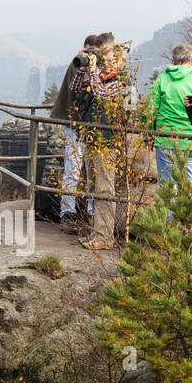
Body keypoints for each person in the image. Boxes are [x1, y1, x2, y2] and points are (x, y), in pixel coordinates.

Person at [78, 34, 131, 250]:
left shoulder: (118, 81)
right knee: (94, 188)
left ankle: (104, 237)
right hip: (93, 138)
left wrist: (94, 73)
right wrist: (87, 70)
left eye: (104, 56)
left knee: (104, 189)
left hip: (106, 143)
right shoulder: (100, 75)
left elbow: (102, 97)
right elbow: (83, 92)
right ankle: (97, 233)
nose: (101, 60)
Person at [50, 34, 100, 233]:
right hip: (75, 124)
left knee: (86, 171)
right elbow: (79, 92)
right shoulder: (79, 65)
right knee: (75, 169)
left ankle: (87, 213)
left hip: (84, 125)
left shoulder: (91, 64)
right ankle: (70, 213)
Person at [144, 44, 192, 186]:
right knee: (188, 185)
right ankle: (187, 209)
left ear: (173, 61)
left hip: (166, 138)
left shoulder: (162, 80)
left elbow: (150, 109)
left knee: (169, 186)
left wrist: (149, 133)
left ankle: (170, 209)